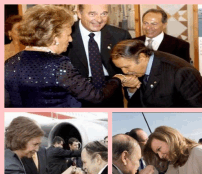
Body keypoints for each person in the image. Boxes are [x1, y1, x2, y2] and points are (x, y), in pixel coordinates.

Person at [5, 4, 140, 108]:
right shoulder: (59, 65)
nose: (70, 40)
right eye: (68, 35)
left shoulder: (9, 63)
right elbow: (96, 96)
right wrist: (117, 79)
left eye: (104, 13)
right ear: (55, 36)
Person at [111, 39, 202, 107]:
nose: (124, 71)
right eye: (120, 68)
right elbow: (138, 104)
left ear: (142, 57)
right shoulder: (138, 68)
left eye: (126, 67)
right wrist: (131, 88)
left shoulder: (182, 72)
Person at [66, 4, 132, 107]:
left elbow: (130, 69)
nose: (99, 19)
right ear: (79, 13)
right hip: (77, 96)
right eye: (92, 14)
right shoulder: (66, 34)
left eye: (104, 14)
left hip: (112, 92)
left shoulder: (120, 35)